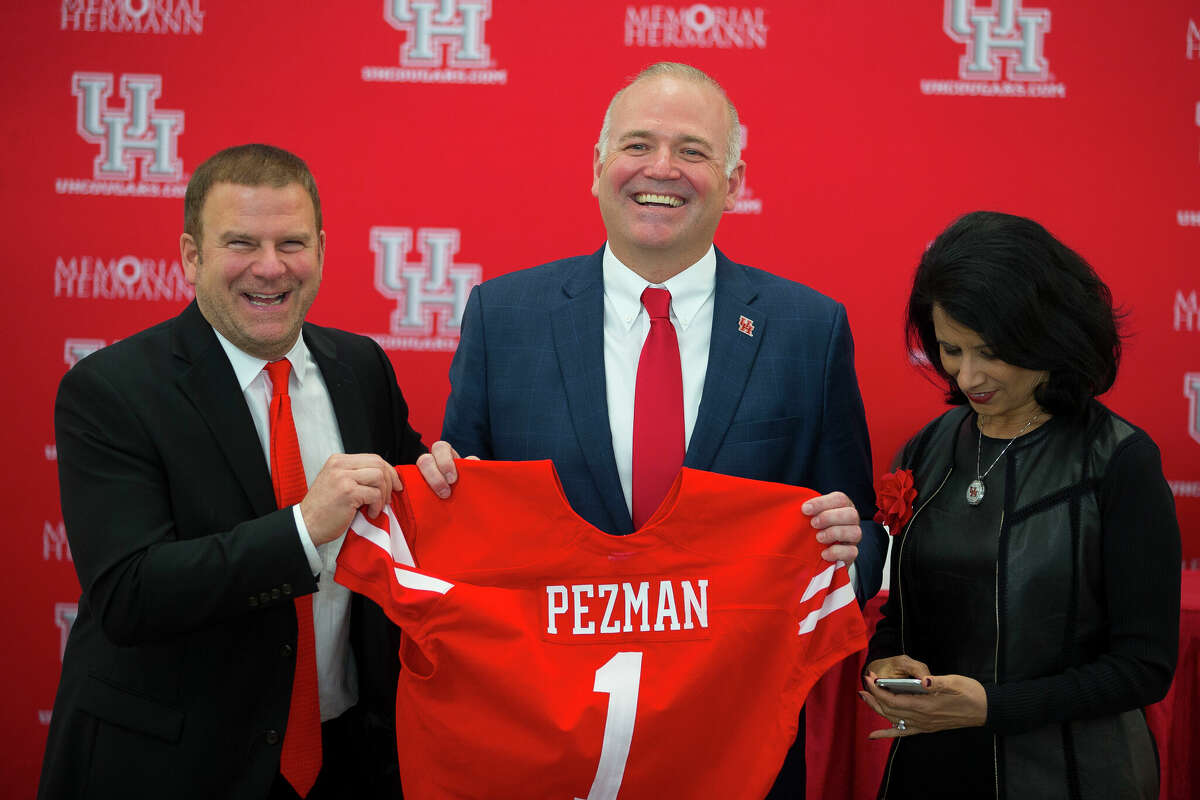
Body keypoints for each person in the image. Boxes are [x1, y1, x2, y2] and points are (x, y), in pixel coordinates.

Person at [435, 61, 888, 798]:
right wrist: (440, 491)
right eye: (638, 145)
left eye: (694, 152)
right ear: (598, 166)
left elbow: (859, 529)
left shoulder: (809, 329)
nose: (662, 169)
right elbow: (466, 518)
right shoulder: (503, 318)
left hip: (734, 748)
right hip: (543, 746)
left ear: (735, 182)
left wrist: (850, 548)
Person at [38, 144, 452, 800]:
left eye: (291, 242)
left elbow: (408, 507)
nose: (269, 267)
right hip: (178, 767)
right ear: (191, 257)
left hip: (347, 760)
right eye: (241, 243)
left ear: (320, 247)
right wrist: (302, 530)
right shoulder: (111, 391)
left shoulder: (362, 367)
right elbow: (129, 593)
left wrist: (446, 479)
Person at [859, 211, 1181, 799]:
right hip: (933, 765)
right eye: (950, 350)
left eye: (993, 351)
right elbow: (900, 616)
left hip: (1072, 774)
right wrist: (886, 665)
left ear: (1048, 335)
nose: (969, 375)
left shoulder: (1117, 460)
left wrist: (993, 706)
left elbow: (1143, 666)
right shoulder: (926, 449)